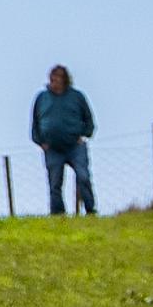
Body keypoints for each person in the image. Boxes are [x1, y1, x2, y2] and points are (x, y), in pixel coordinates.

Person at [31, 64, 98, 216]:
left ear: (65, 80)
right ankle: (58, 213)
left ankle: (90, 210)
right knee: (55, 182)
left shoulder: (77, 96)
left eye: (59, 78)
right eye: (53, 78)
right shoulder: (42, 98)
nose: (55, 81)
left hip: (75, 146)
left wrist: (85, 134)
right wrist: (40, 142)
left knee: (83, 176)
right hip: (52, 148)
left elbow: (88, 118)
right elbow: (35, 122)